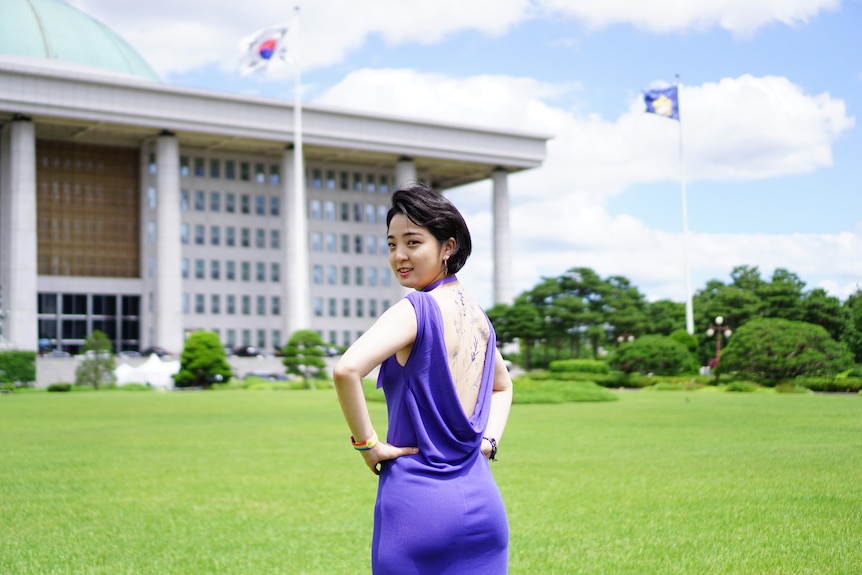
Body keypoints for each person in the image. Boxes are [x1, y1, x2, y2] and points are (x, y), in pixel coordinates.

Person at [333, 182, 514, 574]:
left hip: (417, 505)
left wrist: (369, 447)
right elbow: (503, 384)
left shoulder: (414, 309)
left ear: (448, 247)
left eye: (413, 242)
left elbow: (346, 370)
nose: (399, 255)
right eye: (391, 243)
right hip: (482, 502)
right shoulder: (478, 316)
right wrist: (489, 442)